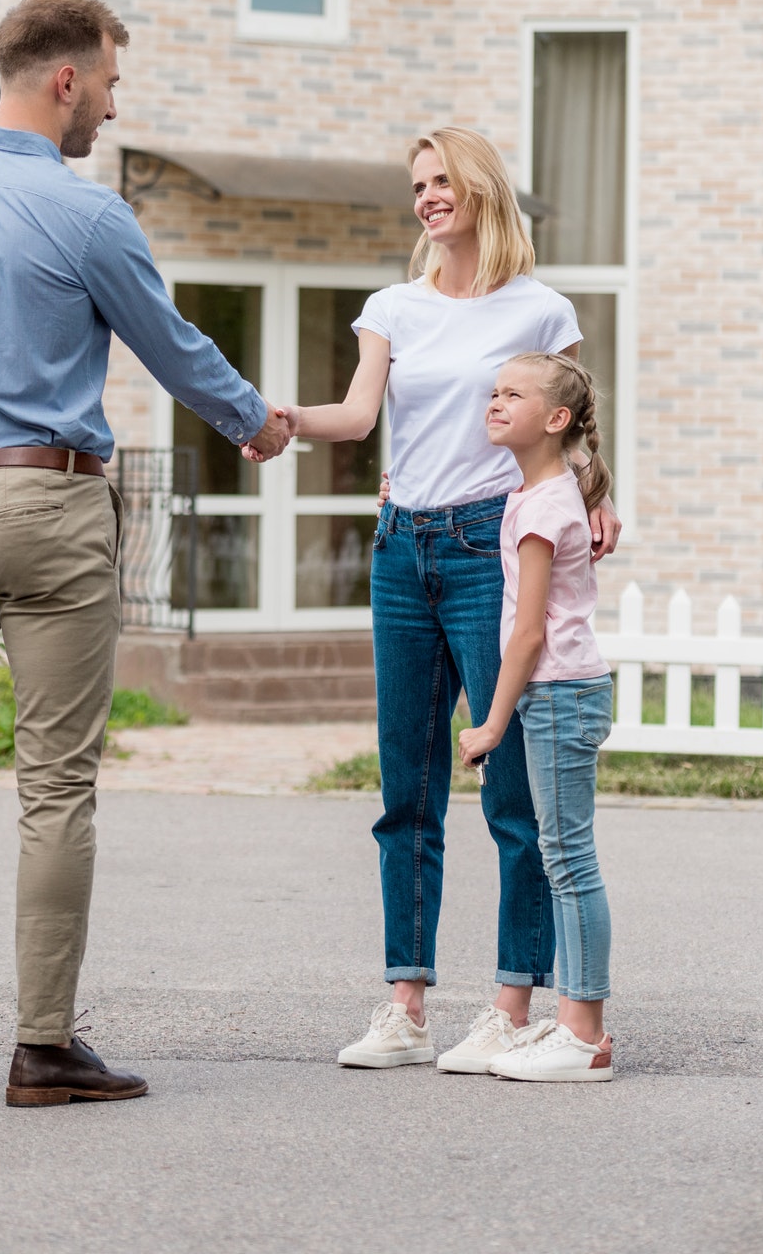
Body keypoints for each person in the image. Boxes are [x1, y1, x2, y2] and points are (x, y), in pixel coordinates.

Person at [0, 0, 291, 1108]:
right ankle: (42, 1047)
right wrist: (257, 422)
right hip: (46, 503)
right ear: (66, 79)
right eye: (112, 86)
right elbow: (172, 347)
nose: (114, 112)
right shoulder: (87, 215)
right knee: (56, 783)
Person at [248, 126, 619, 1071]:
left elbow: (573, 417)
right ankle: (405, 1004)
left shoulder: (540, 308)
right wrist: (285, 420)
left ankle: (509, 1004)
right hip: (402, 548)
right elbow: (358, 415)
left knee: (509, 792)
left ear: (482, 190)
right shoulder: (392, 307)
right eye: (417, 185)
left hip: (491, 548)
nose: (427, 198)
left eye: (442, 180)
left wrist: (601, 495)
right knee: (405, 789)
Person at [457, 353, 615, 1082]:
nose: (494, 402)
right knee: (561, 856)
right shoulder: (537, 493)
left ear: (555, 421)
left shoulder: (547, 503)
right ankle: (573, 1025)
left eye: (511, 394)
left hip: (557, 694)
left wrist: (489, 725)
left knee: (567, 861)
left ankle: (583, 1036)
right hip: (554, 693)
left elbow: (527, 631)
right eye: (492, 392)